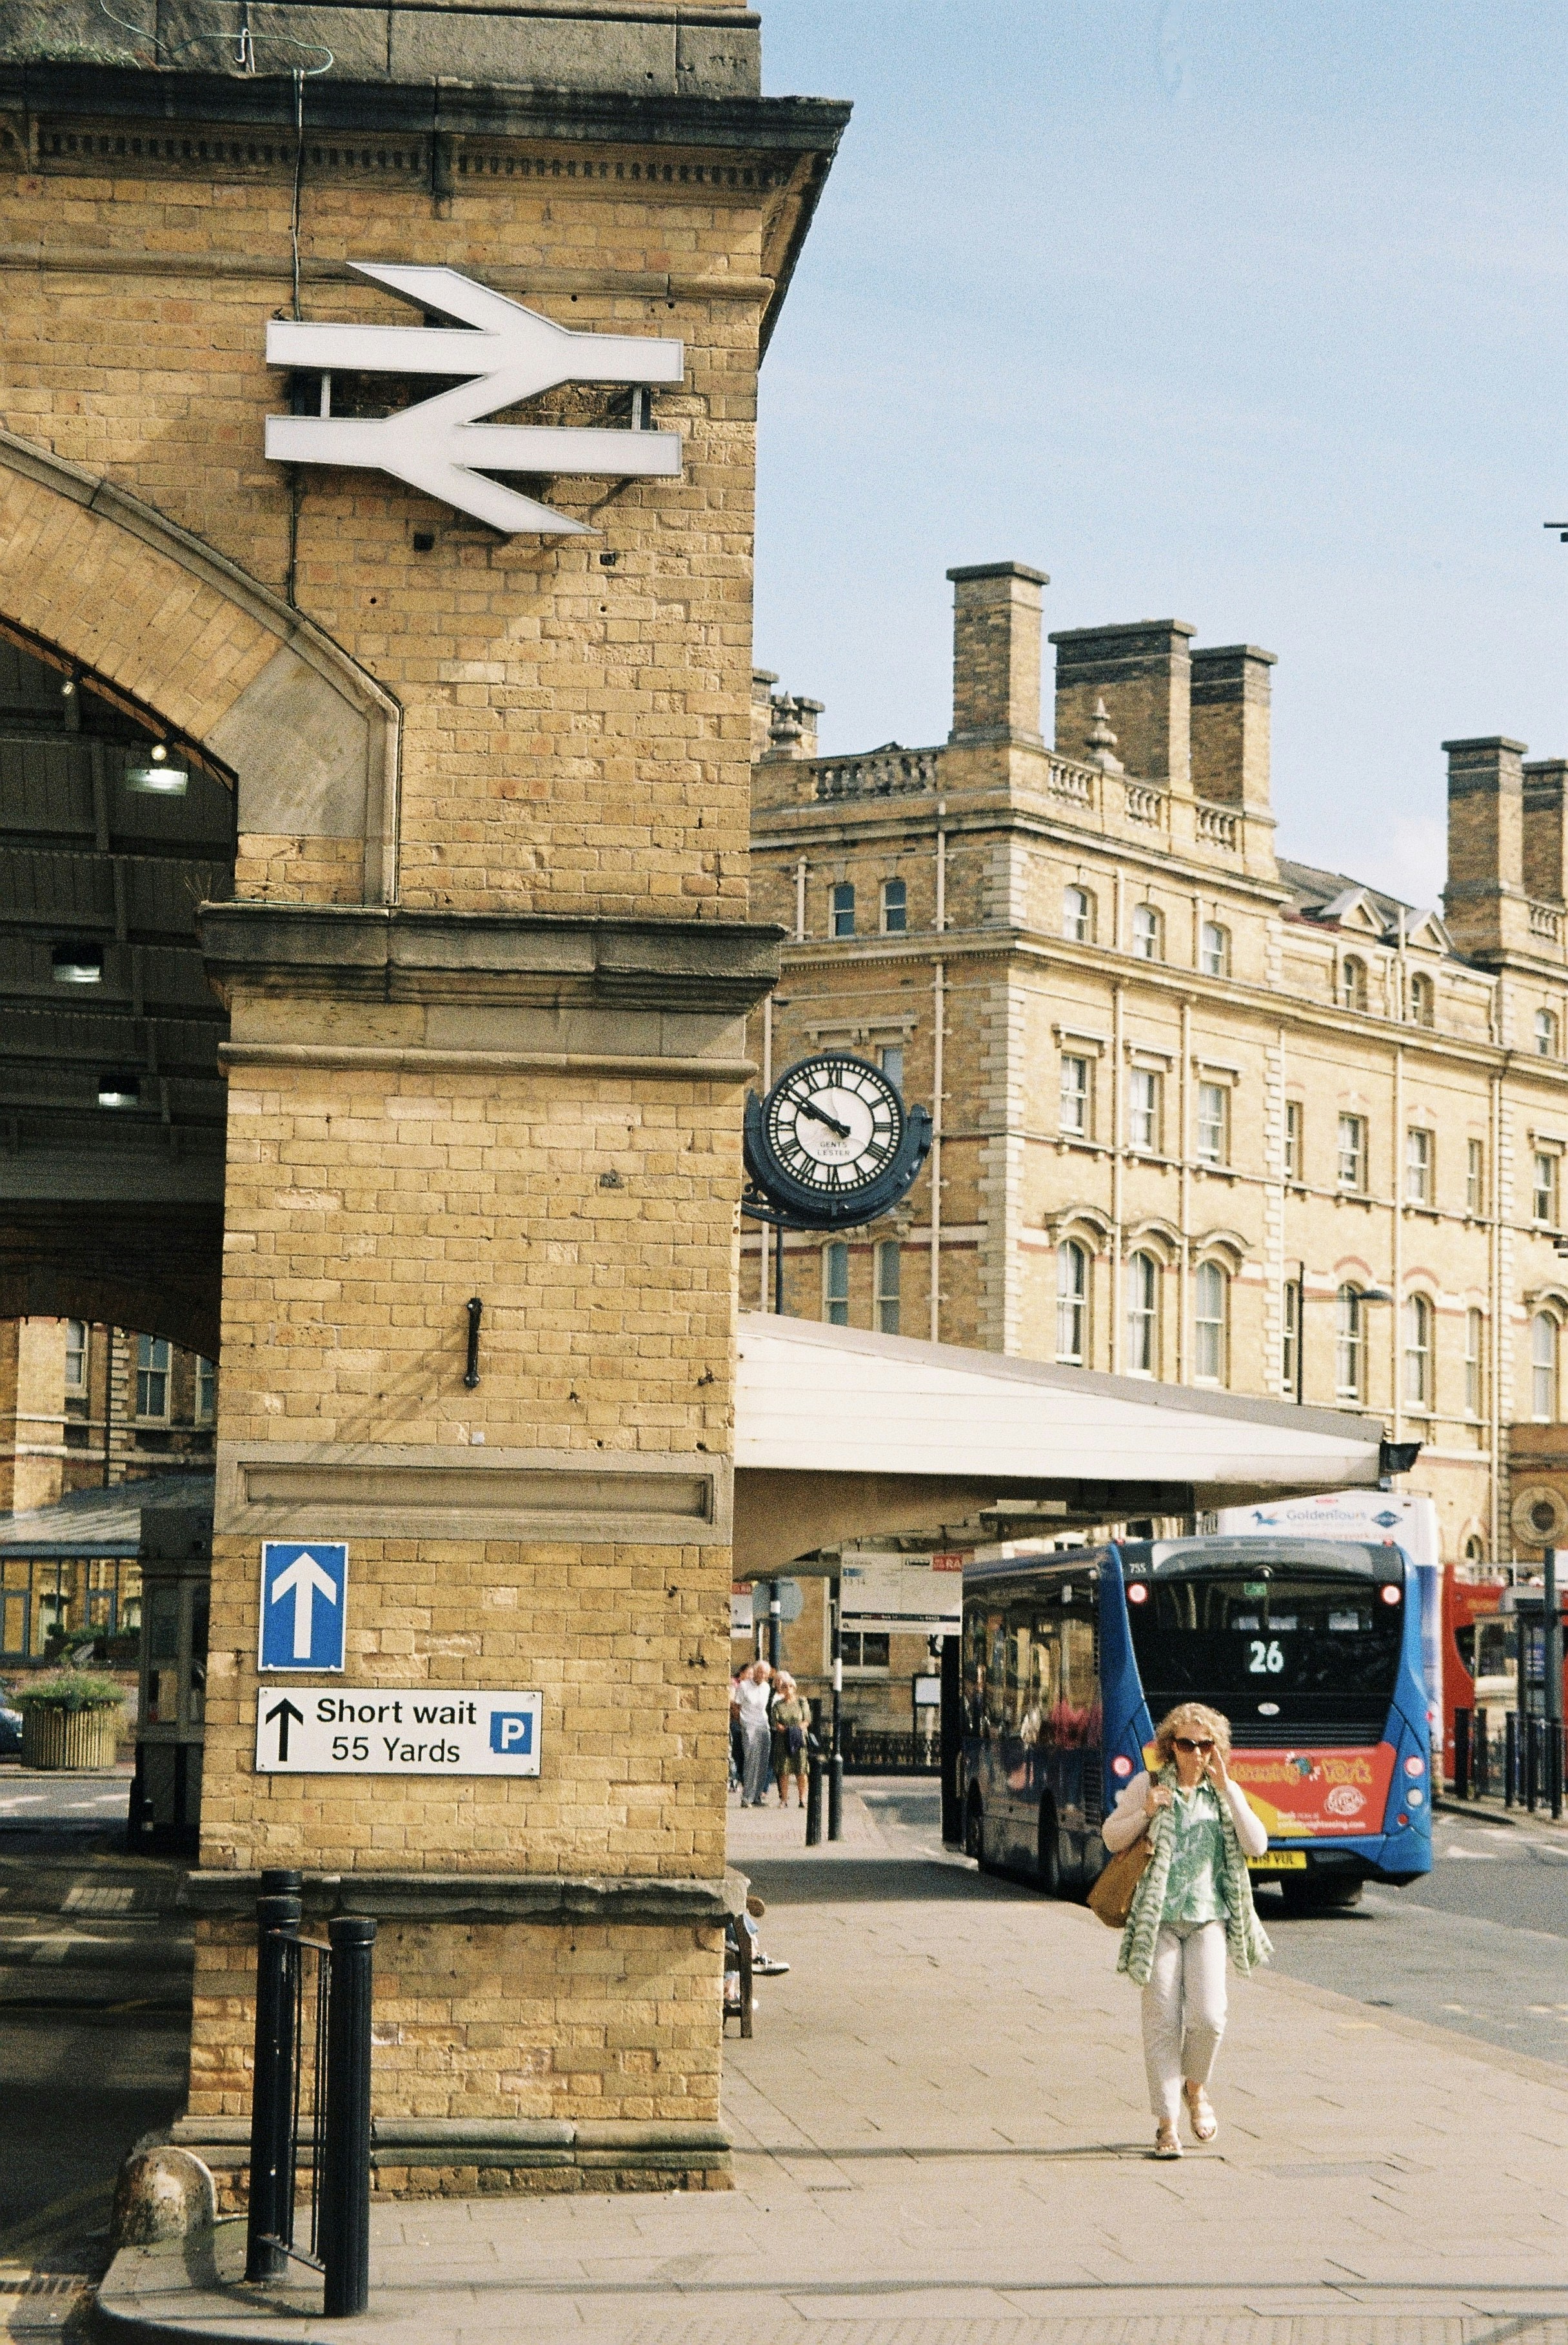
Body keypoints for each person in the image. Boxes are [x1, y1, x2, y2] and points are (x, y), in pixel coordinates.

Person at [1102, 1701, 1272, 2159]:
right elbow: (1111, 1837)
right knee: (1160, 2019)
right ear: (1170, 1746)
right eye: (1185, 1743)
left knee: (1210, 2016)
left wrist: (1228, 1790)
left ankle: (1194, 2087)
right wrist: (1144, 1812)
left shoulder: (1223, 1792)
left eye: (1204, 1744)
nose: (1194, 1752)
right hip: (1157, 1921)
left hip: (1207, 1919)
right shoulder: (1149, 1784)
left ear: (1216, 1748)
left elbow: (1256, 1845)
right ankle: (1166, 2124)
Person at [769, 1673, 813, 1808]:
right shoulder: (778, 1705)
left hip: (799, 1740)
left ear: (794, 1688)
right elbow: (775, 1722)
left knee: (801, 1771)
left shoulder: (801, 1702)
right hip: (783, 1740)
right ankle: (784, 1799)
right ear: (780, 1689)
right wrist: (787, 1731)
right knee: (784, 1771)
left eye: (789, 1686)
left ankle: (803, 1799)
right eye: (784, 1686)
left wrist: (796, 1730)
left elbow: (807, 1720)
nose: (787, 1688)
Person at [735, 1659, 774, 1807]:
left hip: (763, 1725)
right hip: (749, 1725)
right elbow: (736, 1706)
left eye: (766, 1674)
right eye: (761, 1672)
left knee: (763, 1760)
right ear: (755, 1672)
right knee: (751, 1761)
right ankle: (747, 1797)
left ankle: (757, 1795)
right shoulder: (744, 1686)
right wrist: (742, 1723)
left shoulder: (767, 1688)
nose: (763, 1676)